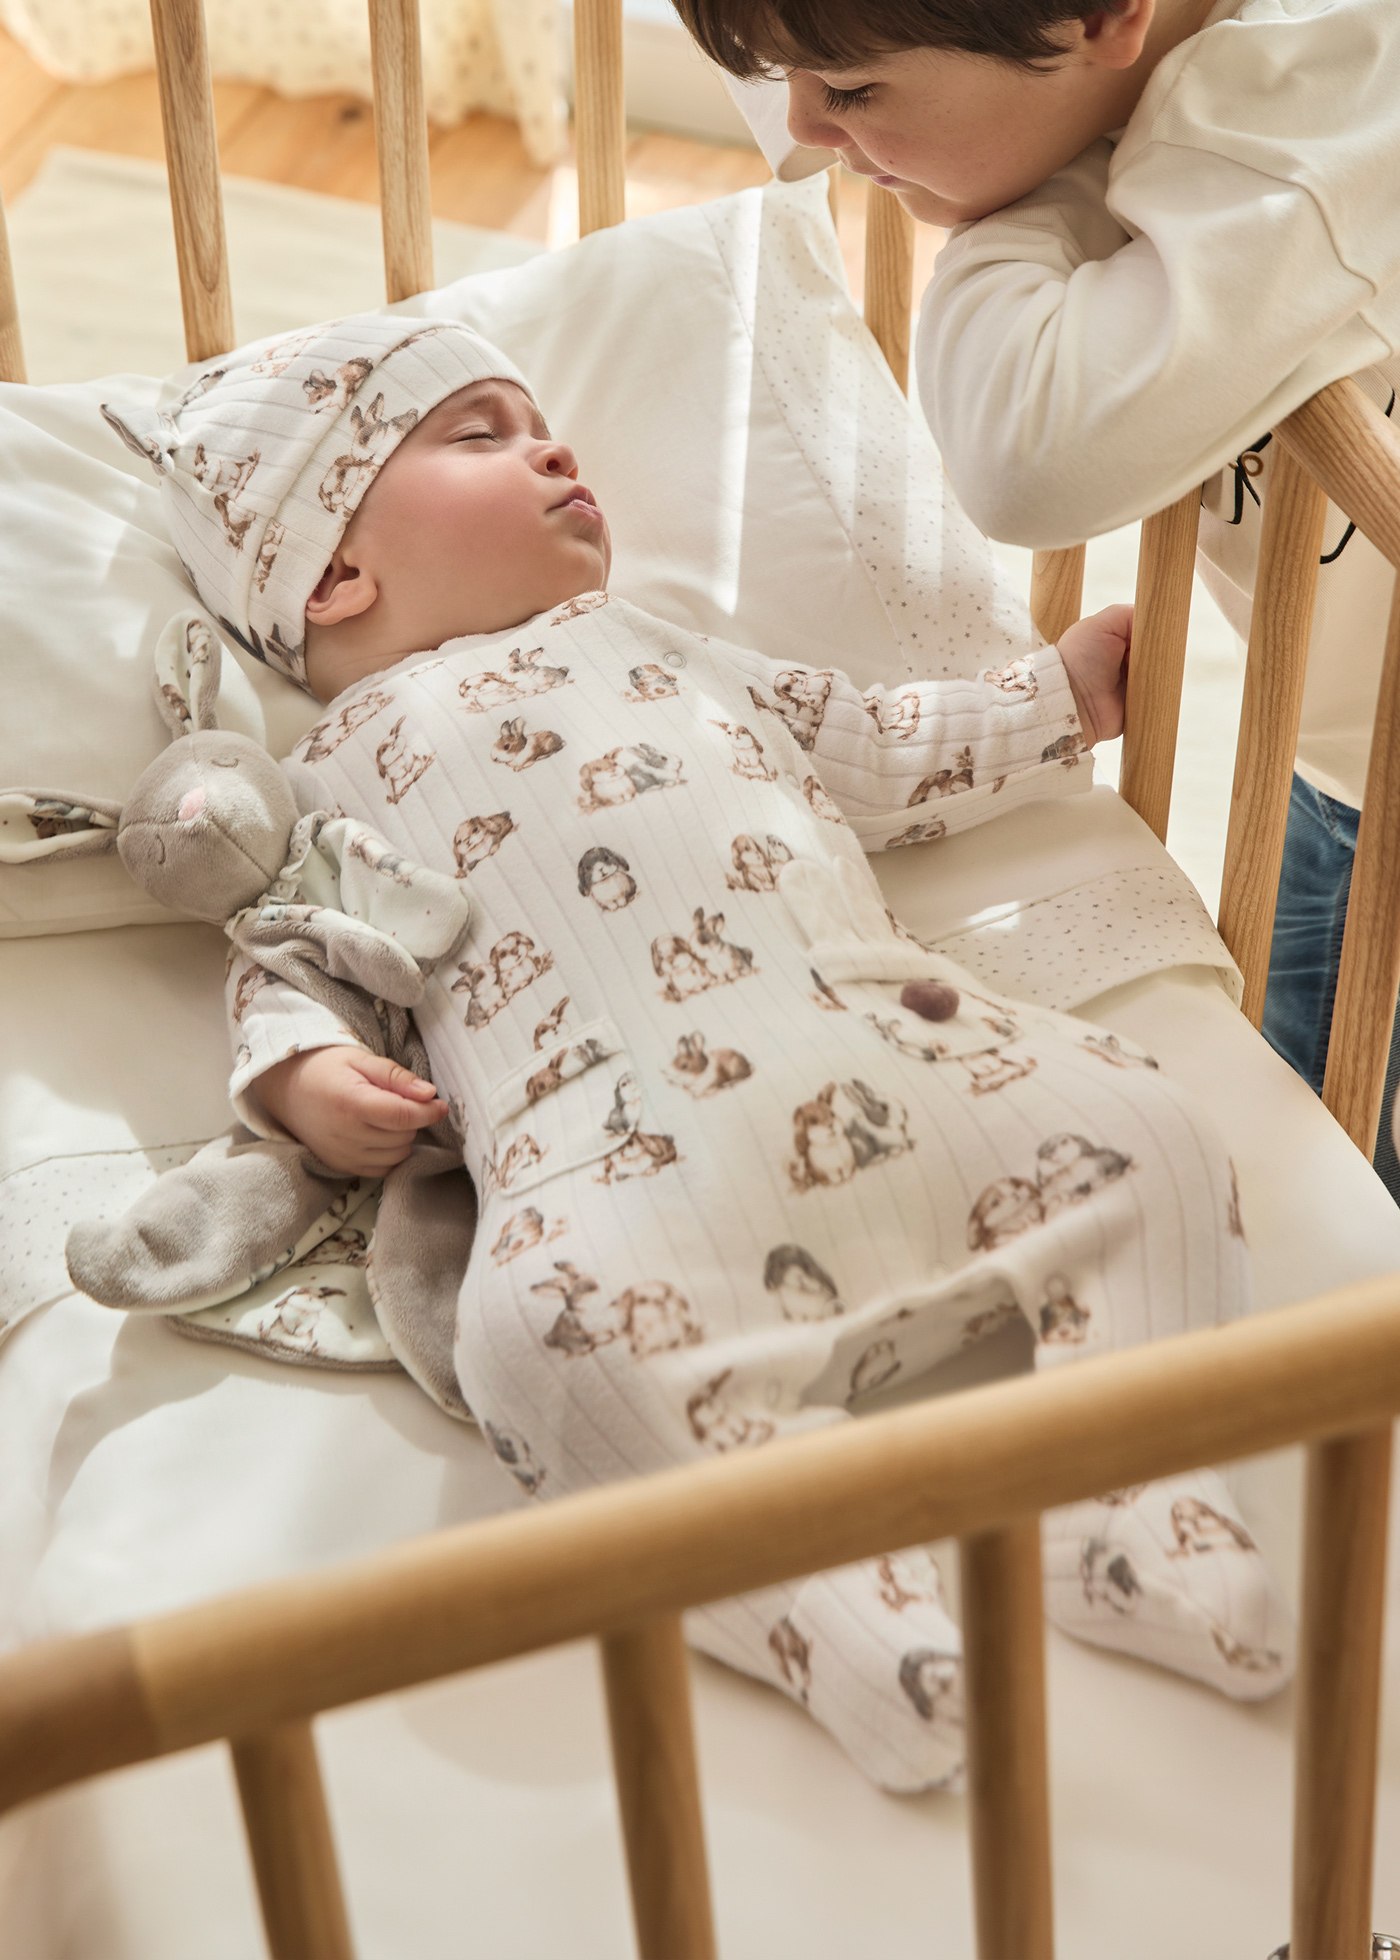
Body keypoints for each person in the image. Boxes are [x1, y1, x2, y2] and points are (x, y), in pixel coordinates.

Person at [101, 310, 1291, 1793]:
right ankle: (847, 1624)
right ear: (335, 571)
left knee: (1151, 1133)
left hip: (879, 1035)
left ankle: (1145, 1499)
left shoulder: (645, 639)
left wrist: (1050, 699)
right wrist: (299, 1079)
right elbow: (291, 961)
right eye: (476, 434)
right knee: (537, 1346)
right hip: (608, 1162)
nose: (550, 445)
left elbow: (860, 742)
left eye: (539, 420)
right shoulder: (321, 779)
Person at [678, 0, 1400, 1195]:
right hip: (1339, 759)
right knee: (1310, 1128)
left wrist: (1062, 187)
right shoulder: (1103, 49)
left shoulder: (1295, 130)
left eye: (849, 96)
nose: (800, 131)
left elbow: (1024, 463)